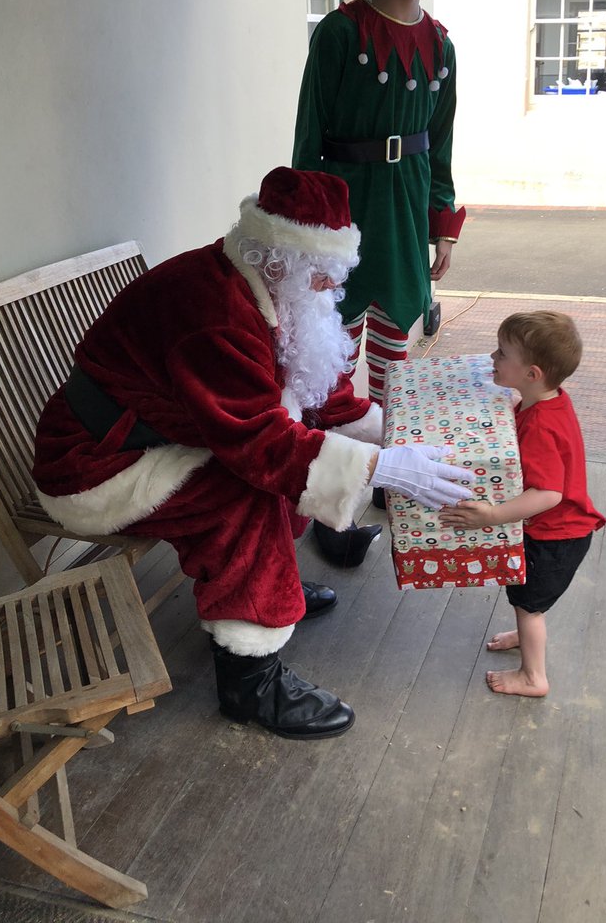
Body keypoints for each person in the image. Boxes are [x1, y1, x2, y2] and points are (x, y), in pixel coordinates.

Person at [32, 166, 474, 740]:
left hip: (165, 436)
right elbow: (257, 443)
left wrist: (394, 435)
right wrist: (382, 468)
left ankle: (272, 586)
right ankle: (250, 683)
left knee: (282, 456)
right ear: (277, 259)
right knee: (246, 494)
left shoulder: (266, 285)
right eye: (319, 273)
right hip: (96, 464)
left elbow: (317, 383)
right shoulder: (213, 313)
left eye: (333, 273)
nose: (327, 289)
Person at [292, 0, 465, 564]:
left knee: (396, 359)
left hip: (406, 203)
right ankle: (331, 510)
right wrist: (308, 232)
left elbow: (443, 141)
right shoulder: (340, 33)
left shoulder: (442, 47)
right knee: (332, 361)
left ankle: (392, 479)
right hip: (344, 207)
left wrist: (442, 223)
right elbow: (310, 136)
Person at [439, 311, 605, 698]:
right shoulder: (547, 402)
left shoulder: (540, 425)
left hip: (554, 539)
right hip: (558, 533)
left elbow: (549, 494)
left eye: (501, 354)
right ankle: (526, 630)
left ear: (531, 374)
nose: (493, 358)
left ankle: (533, 677)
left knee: (530, 606)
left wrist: (492, 516)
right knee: (526, 601)